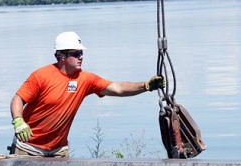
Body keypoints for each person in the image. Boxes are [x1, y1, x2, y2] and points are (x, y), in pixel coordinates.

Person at [9, 31, 164, 157]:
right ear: (61, 56)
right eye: (76, 54)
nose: (81, 57)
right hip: (28, 149)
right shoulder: (42, 76)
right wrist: (18, 120)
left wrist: (146, 85)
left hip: (58, 151)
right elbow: (18, 98)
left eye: (81, 53)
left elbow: (117, 88)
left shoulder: (86, 79)